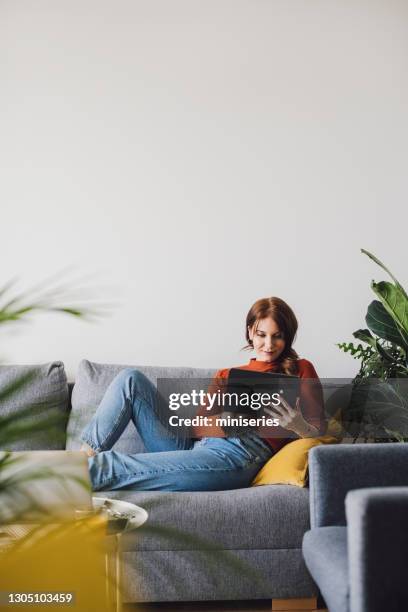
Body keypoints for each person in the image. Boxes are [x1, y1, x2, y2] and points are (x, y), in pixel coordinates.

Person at [80, 297, 326, 491]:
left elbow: (320, 431)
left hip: (240, 454)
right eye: (262, 335)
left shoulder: (301, 368)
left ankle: (62, 478)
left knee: (110, 467)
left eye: (277, 336)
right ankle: (81, 457)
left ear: (287, 337)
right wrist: (226, 422)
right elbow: (197, 428)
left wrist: (298, 425)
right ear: (251, 332)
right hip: (198, 447)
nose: (269, 345)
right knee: (130, 379)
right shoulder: (227, 374)